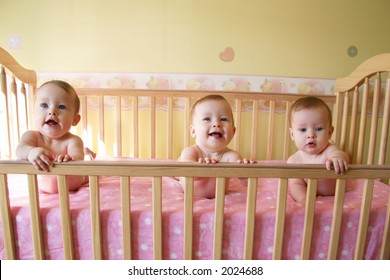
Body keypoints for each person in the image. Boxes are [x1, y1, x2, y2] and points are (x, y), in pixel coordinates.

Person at [16, 80, 90, 194]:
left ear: (75, 119)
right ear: (34, 113)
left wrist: (70, 159)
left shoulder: (73, 141)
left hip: (69, 186)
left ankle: (86, 176)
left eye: (61, 107)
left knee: (85, 175)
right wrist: (31, 152)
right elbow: (19, 150)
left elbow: (78, 160)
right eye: (44, 105)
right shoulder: (32, 136)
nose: (52, 111)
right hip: (41, 185)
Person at [178, 94, 254, 198]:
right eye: (207, 119)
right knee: (180, 167)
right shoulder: (190, 152)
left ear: (233, 131)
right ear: (193, 130)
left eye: (223, 119)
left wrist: (247, 170)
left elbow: (246, 181)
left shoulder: (231, 156)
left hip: (219, 201)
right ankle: (177, 172)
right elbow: (188, 172)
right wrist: (202, 168)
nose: (217, 124)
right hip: (192, 196)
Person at [287, 96, 349, 203]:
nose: (311, 135)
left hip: (334, 196)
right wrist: (303, 199)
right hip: (309, 199)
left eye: (319, 128)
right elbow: (295, 185)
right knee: (295, 182)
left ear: (330, 132)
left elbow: (341, 155)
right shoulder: (294, 161)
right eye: (303, 129)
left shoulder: (329, 150)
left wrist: (337, 158)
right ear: (292, 134)